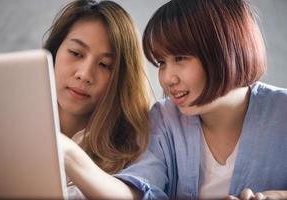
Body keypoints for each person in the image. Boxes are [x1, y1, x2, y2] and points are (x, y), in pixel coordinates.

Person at [60, 0, 287, 199]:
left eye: (180, 58)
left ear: (224, 50)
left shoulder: (282, 112)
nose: (167, 78)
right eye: (161, 63)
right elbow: (137, 192)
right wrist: (68, 153)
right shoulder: (164, 118)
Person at [42, 0, 150, 198]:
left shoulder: (137, 143)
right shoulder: (9, 122)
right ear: (54, 52)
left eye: (104, 65)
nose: (84, 74)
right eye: (75, 53)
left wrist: (67, 151)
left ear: (122, 78)